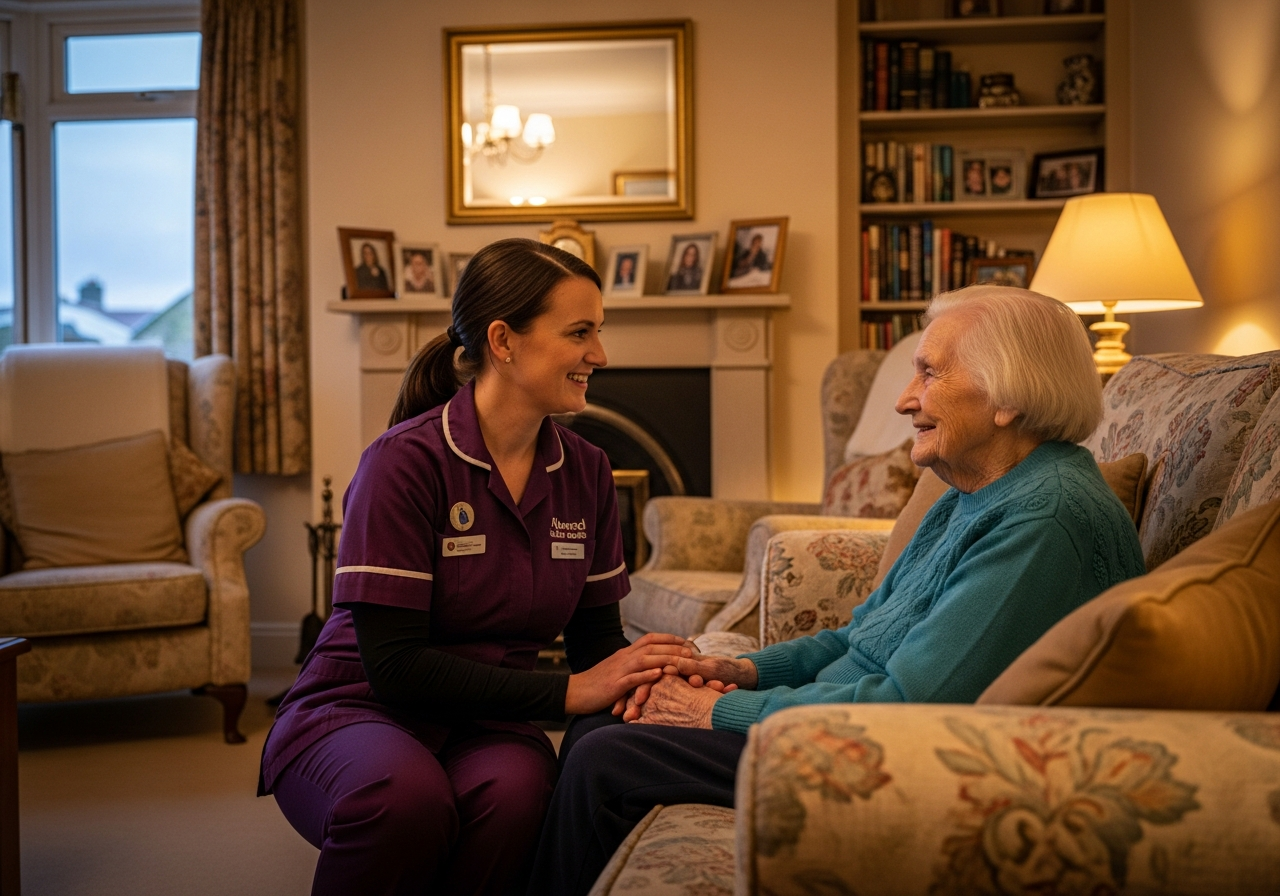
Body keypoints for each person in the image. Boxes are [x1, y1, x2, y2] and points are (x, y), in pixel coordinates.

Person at [526, 285, 1147, 895]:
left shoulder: (1042, 519)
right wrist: (736, 669)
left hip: (899, 761)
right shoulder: (973, 488)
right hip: (846, 722)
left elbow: (907, 710)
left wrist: (711, 710)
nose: (906, 400)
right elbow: (858, 638)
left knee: (603, 759)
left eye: (929, 375)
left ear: (1008, 398)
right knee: (602, 721)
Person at [261, 238, 691, 896]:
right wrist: (569, 692)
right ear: (504, 340)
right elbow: (395, 666)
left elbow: (596, 643)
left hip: (487, 721)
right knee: (406, 798)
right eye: (580, 333)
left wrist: (661, 676)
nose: (599, 356)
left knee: (521, 794)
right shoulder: (402, 462)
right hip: (358, 708)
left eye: (598, 333)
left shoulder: (588, 472)